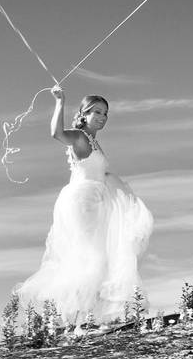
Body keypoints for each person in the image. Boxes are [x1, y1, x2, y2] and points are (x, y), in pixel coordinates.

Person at [15, 85, 154, 332]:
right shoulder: (79, 137)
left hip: (98, 200)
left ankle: (87, 318)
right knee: (91, 256)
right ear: (84, 114)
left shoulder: (94, 141)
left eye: (105, 114)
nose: (102, 118)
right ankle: (78, 319)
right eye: (97, 112)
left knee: (100, 256)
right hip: (82, 201)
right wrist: (60, 101)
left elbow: (101, 171)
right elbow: (56, 134)